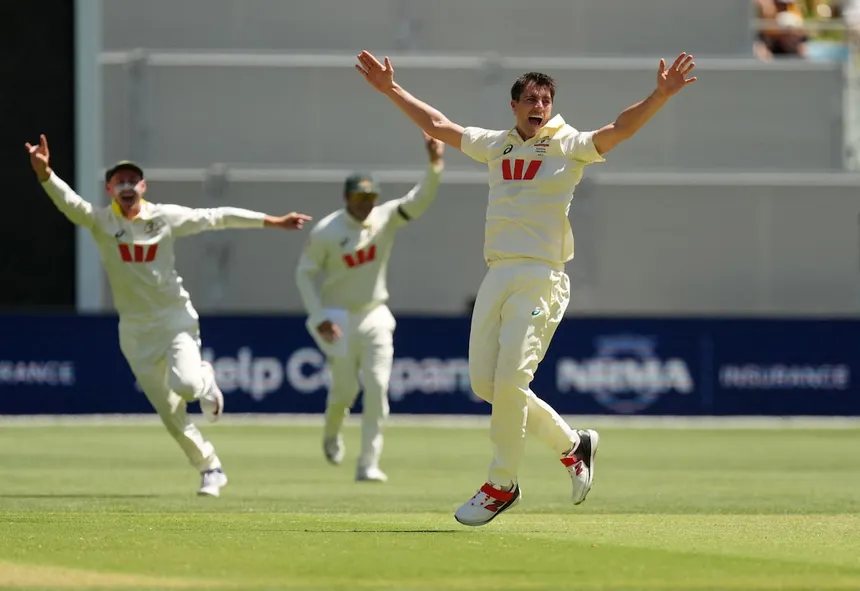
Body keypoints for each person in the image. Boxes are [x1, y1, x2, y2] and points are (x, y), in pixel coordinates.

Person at [355, 49, 696, 526]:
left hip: (542, 276)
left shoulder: (567, 144)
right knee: (487, 384)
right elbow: (438, 124)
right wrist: (391, 89)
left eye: (546, 100)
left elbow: (619, 130)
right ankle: (572, 445)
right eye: (531, 99)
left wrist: (659, 95)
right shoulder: (497, 144)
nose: (540, 106)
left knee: (512, 380)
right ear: (514, 105)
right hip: (498, 274)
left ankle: (501, 483)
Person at [25, 134, 312, 497]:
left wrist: (272, 221)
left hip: (174, 319)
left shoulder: (164, 217)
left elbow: (216, 218)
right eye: (120, 181)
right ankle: (210, 468)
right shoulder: (100, 222)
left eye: (133, 180)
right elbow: (69, 204)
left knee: (188, 387)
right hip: (134, 331)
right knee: (171, 413)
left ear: (143, 186)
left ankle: (206, 381)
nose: (127, 186)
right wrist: (46, 174)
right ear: (110, 188)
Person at [295, 131, 445, 482]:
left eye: (370, 196)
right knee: (345, 390)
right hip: (337, 317)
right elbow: (304, 274)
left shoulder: (384, 217)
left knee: (377, 386)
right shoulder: (327, 231)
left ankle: (368, 463)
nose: (365, 203)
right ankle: (331, 433)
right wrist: (318, 317)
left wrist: (435, 164)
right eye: (359, 196)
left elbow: (419, 199)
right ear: (347, 197)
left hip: (376, 312)